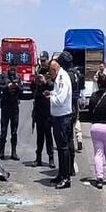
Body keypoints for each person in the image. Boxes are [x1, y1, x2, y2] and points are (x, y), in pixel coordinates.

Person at [88, 73, 106, 188]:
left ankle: (99, 177)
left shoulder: (93, 96)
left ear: (98, 83)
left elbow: (90, 112)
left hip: (96, 127)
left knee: (98, 153)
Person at [49, 57, 74, 189]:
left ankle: (66, 177)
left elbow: (61, 99)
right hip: (58, 117)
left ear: (54, 69)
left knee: (64, 148)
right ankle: (61, 173)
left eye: (50, 72)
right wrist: (52, 93)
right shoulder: (58, 77)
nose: (50, 75)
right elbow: (57, 94)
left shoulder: (62, 78)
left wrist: (50, 97)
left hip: (63, 117)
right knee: (59, 147)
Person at [30, 67, 55, 168]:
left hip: (48, 114)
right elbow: (32, 90)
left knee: (49, 137)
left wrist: (45, 82)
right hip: (38, 114)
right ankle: (38, 158)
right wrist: (35, 80)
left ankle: (51, 158)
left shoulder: (49, 83)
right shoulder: (37, 84)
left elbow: (53, 87)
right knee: (39, 138)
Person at [0, 71, 22, 160]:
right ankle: (1, 152)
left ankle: (14, 152)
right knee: (3, 131)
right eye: (11, 66)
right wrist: (7, 86)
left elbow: (21, 89)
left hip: (14, 106)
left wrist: (16, 86)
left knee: (14, 131)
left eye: (14, 67)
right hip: (5, 106)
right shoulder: (3, 76)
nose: (13, 69)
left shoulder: (18, 76)